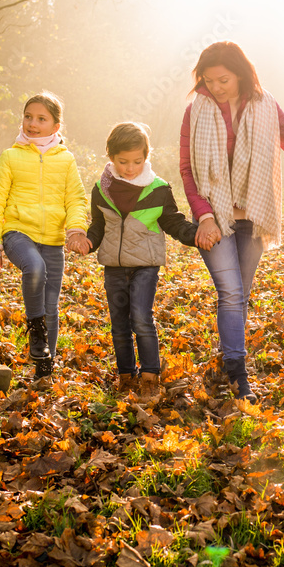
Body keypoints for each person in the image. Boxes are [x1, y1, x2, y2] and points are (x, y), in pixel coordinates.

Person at [180, 41, 284, 402]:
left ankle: (229, 357)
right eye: (208, 80)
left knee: (240, 295)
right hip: (213, 218)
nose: (215, 87)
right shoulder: (195, 111)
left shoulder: (265, 104)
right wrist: (204, 216)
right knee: (230, 293)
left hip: (253, 215)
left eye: (223, 80)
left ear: (242, 74)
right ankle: (237, 371)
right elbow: (187, 170)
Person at [85, 122, 200, 392]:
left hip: (145, 266)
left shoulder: (158, 188)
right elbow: (98, 227)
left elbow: (173, 221)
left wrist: (194, 235)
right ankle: (126, 375)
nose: (130, 167)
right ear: (111, 157)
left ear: (146, 156)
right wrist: (88, 241)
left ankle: (150, 376)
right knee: (119, 323)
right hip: (114, 267)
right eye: (123, 161)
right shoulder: (101, 189)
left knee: (140, 317)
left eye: (137, 161)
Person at [0, 92, 89, 379]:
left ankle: (44, 371)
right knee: (34, 268)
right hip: (18, 233)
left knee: (51, 306)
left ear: (56, 126)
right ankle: (36, 328)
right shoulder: (11, 157)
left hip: (53, 240)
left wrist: (76, 229)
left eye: (41, 119)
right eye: (28, 117)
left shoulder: (65, 160)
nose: (32, 123)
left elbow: (76, 199)